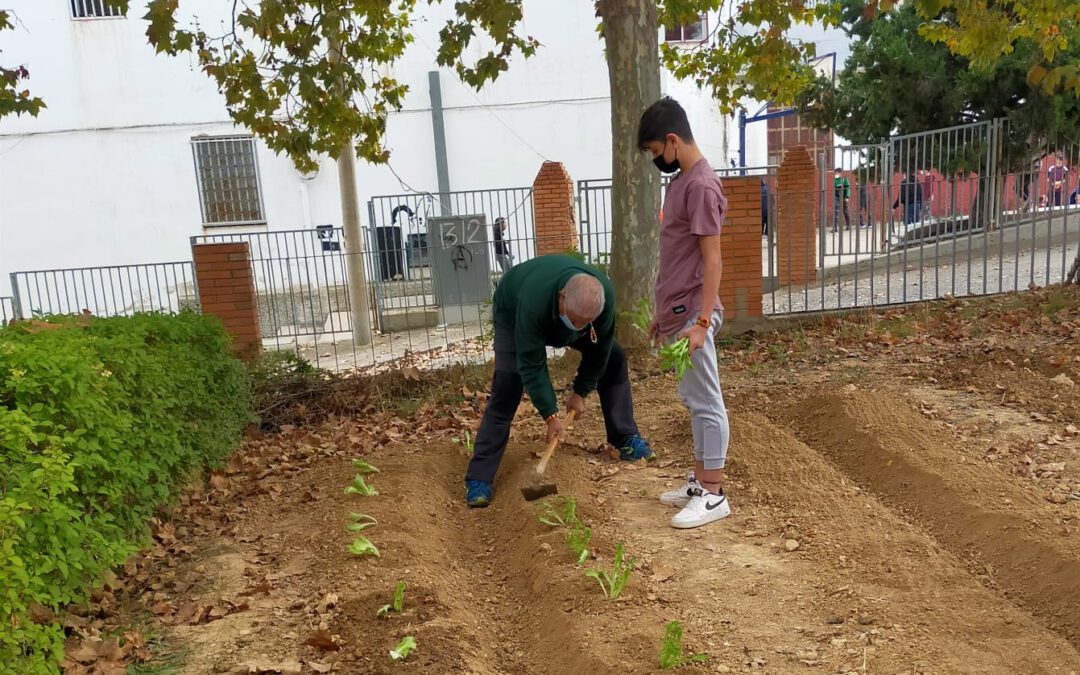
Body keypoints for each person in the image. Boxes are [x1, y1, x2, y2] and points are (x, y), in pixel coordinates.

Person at [464, 255, 654, 507]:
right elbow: (531, 363)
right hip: (513, 310)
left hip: (567, 311)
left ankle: (624, 437)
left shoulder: (601, 299)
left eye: (587, 323)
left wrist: (580, 392)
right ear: (562, 297)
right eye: (575, 321)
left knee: (614, 358)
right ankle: (479, 479)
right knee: (509, 383)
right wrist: (551, 416)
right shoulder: (532, 301)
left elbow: (601, 350)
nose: (578, 328)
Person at [637, 97, 731, 529]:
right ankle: (700, 481)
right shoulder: (681, 183)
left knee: (707, 401)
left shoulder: (702, 186)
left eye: (657, 151)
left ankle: (713, 494)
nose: (657, 159)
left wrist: (701, 321)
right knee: (694, 401)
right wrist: (663, 314)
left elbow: (712, 260)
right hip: (678, 313)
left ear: (673, 140)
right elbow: (677, 254)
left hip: (695, 313)